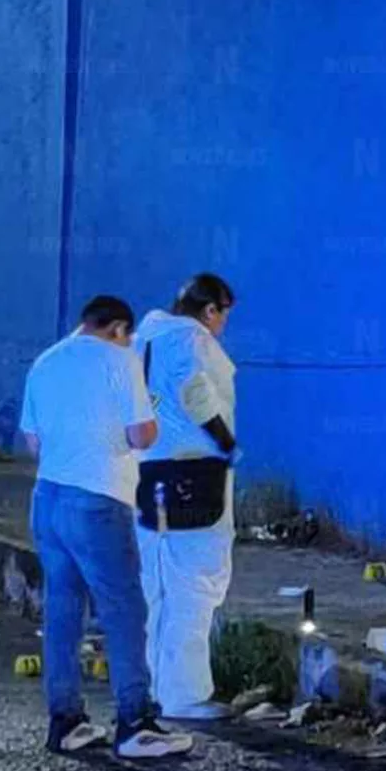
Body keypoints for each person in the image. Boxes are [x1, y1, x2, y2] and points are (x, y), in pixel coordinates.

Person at [19, 295, 194, 759]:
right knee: (123, 610)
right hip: (97, 500)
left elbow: (33, 441)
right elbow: (142, 435)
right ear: (118, 329)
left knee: (62, 610)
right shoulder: (121, 361)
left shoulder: (45, 362)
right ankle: (135, 722)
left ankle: (66, 722)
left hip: (47, 499)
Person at [132, 274, 239, 721]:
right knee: (197, 583)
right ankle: (187, 695)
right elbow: (196, 395)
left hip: (147, 473)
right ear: (209, 310)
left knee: (157, 583)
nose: (223, 326)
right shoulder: (192, 340)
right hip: (196, 473)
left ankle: (157, 685)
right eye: (224, 316)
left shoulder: (139, 340)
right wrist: (227, 442)